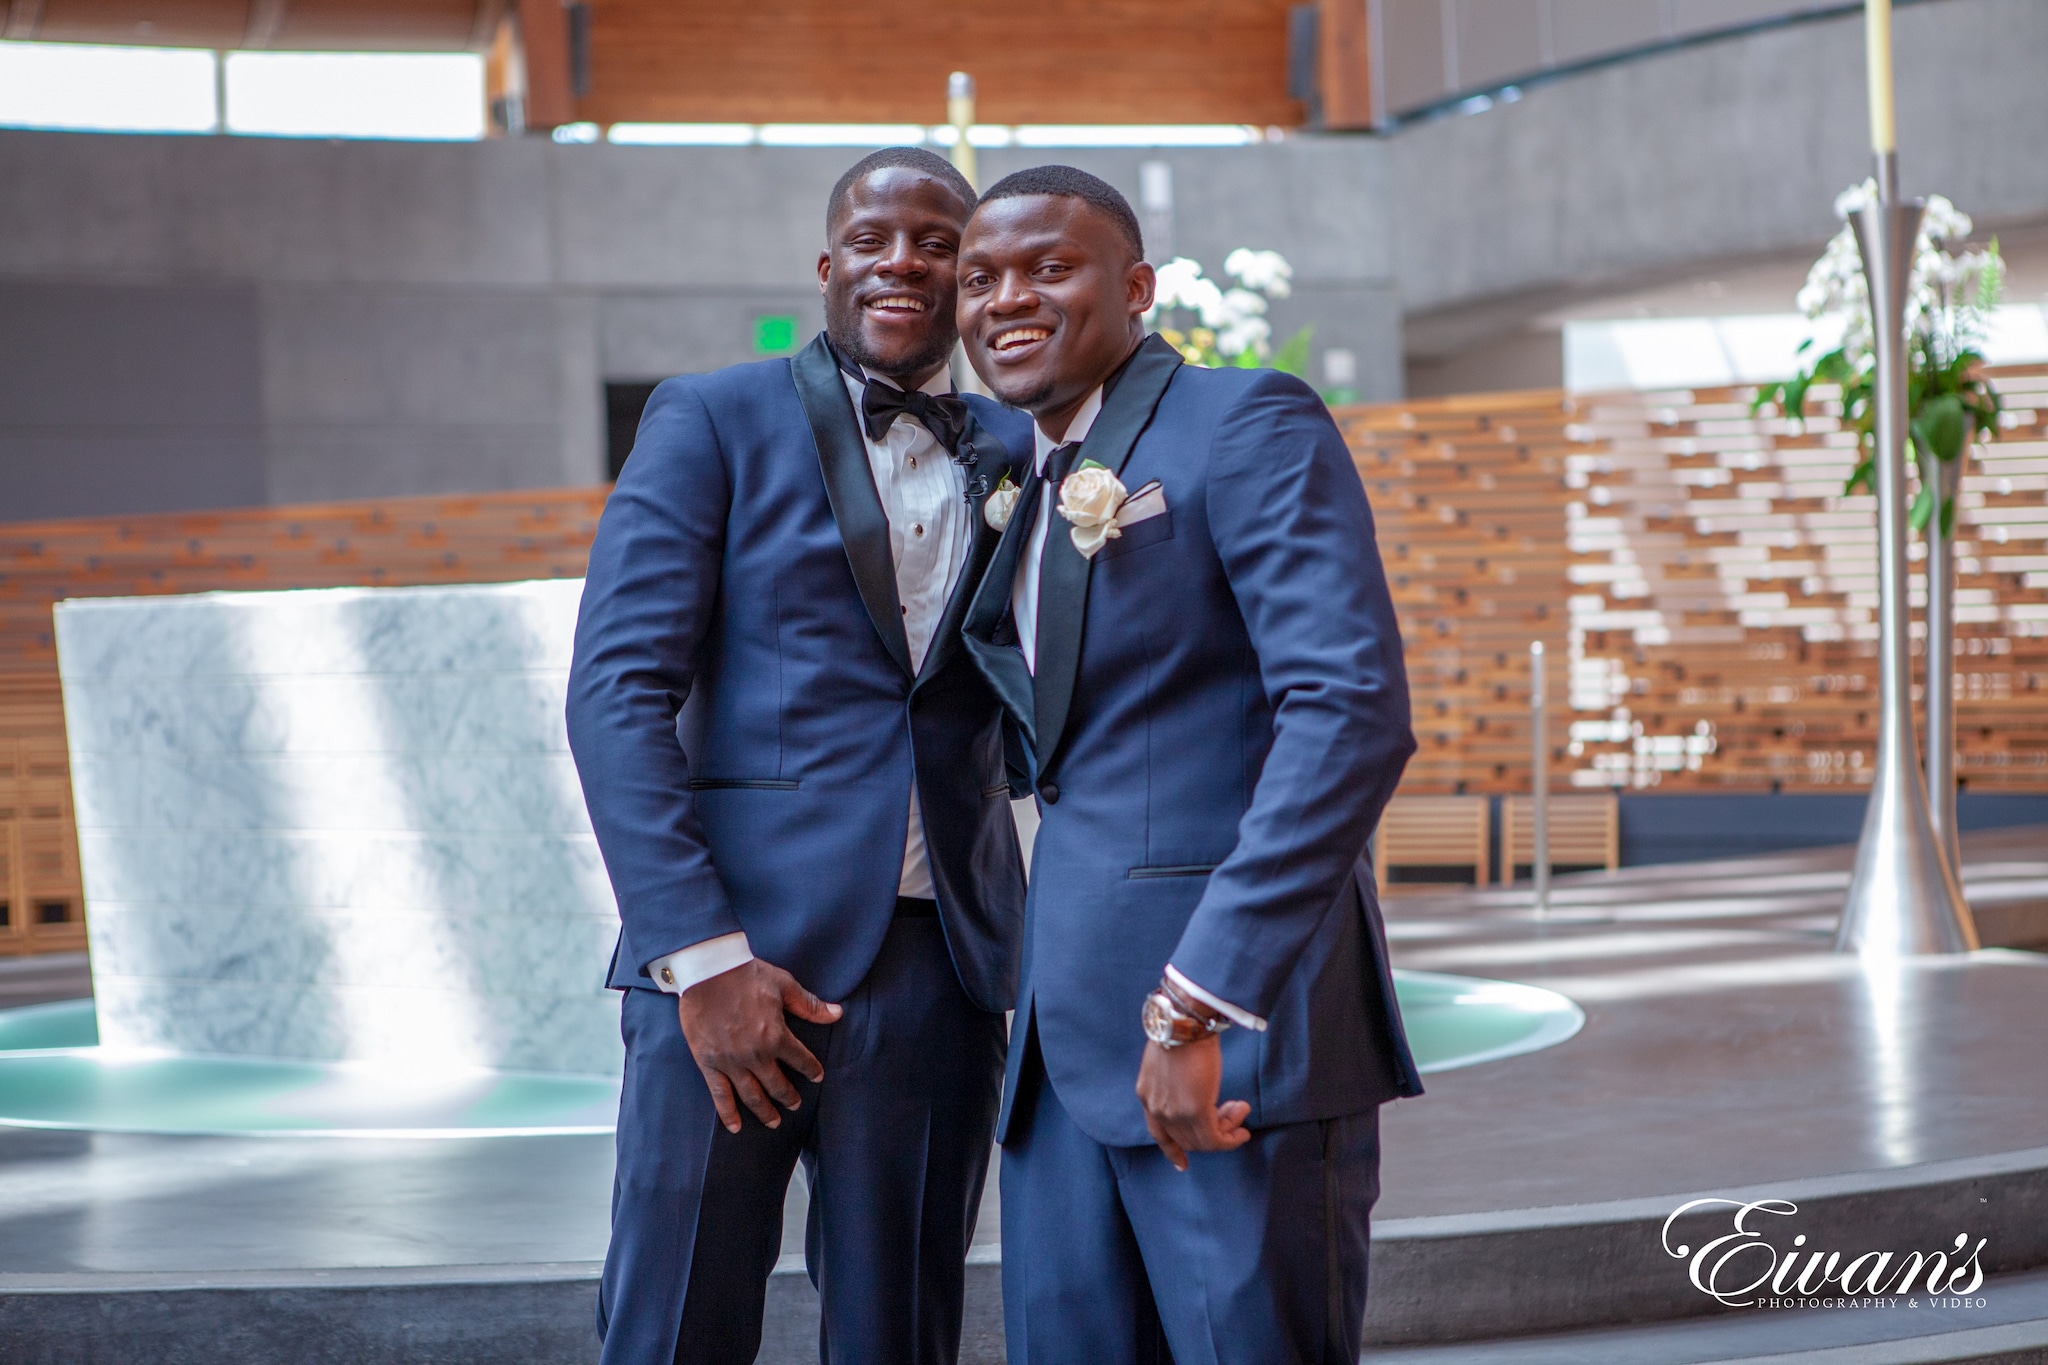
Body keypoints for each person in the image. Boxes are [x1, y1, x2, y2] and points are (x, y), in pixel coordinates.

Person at [565, 146, 1032, 1365]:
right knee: (674, 1321)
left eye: (937, 243)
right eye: (872, 240)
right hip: (733, 959)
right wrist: (700, 956)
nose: (902, 262)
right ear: (827, 267)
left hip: (941, 968)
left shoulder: (1022, 446)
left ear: (971, 274)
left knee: (900, 1333)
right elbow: (616, 693)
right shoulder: (711, 417)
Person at [954, 165, 1423, 1365]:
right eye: (978, 277)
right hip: (1059, 1056)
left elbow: (1348, 714)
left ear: (1136, 288)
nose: (1006, 298)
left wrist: (1199, 1000)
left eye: (1048, 268)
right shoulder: (1017, 475)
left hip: (1226, 1038)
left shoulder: (1245, 422)